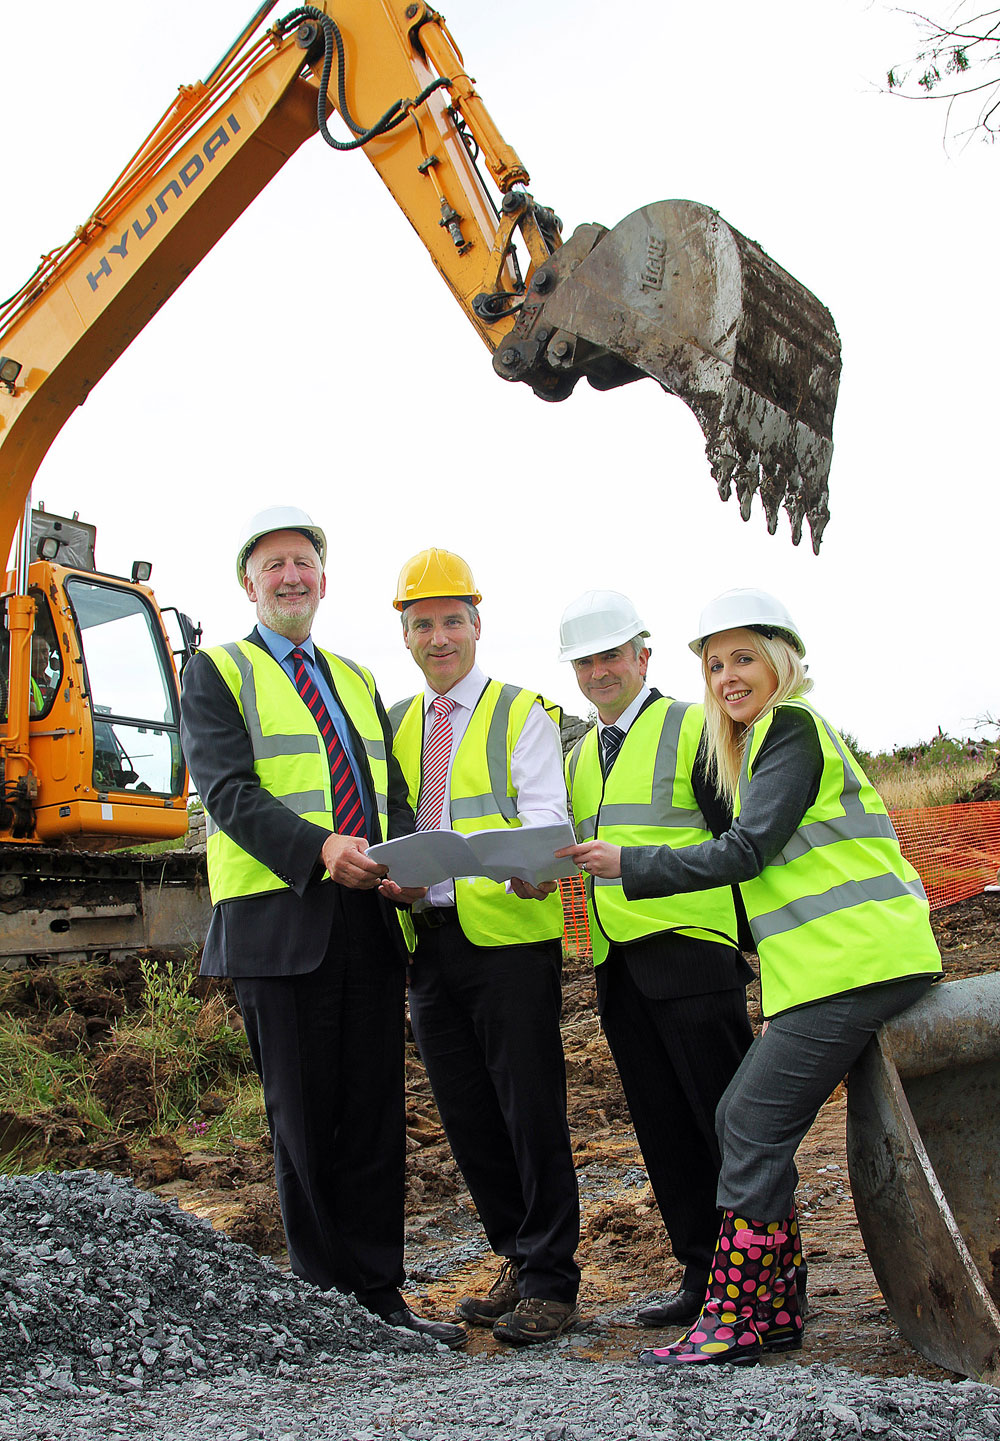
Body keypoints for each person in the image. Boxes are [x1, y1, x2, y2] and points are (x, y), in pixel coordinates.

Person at [559, 587, 943, 1367]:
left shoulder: (790, 726)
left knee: (746, 1121)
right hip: (831, 965)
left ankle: (740, 1313)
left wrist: (631, 865)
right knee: (740, 1117)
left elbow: (745, 849)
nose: (729, 675)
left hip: (858, 959)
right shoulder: (762, 736)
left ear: (781, 659)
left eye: (744, 658)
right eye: (717, 663)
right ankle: (762, 1309)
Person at [179, 506, 465, 1349]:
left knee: (373, 1116)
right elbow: (228, 793)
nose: (291, 576)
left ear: (323, 579)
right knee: (304, 1118)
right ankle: (323, 1308)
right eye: (274, 565)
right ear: (249, 583)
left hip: (368, 921)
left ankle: (381, 1300)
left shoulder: (352, 677)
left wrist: (412, 865)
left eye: (303, 562)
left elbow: (389, 793)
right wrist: (319, 850)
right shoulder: (217, 671)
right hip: (281, 921)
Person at [387, 547, 581, 1345]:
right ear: (404, 633)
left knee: (529, 1110)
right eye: (423, 623)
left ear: (477, 624)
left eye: (453, 621)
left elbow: (544, 817)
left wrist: (484, 855)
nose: (440, 638)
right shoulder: (395, 723)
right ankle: (514, 1252)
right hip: (427, 947)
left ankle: (552, 1280)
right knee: (469, 1116)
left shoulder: (519, 711)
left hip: (506, 944)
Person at [557, 589, 756, 1331]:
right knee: (663, 1127)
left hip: (692, 958)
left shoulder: (693, 725)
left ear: (643, 655)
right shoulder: (580, 756)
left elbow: (740, 841)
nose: (601, 671)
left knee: (727, 1125)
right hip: (618, 963)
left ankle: (768, 1277)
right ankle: (703, 1273)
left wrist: (747, 940)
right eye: (588, 660)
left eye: (612, 654)